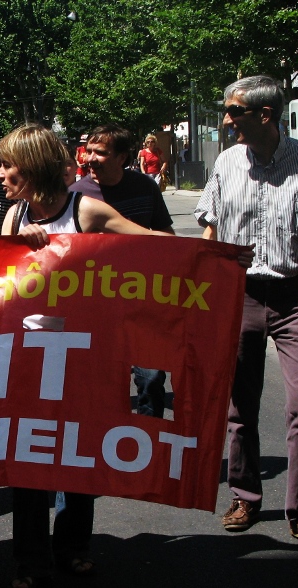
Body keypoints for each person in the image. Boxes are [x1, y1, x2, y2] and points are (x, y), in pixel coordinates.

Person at [0, 124, 173, 588]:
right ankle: (30, 559)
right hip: (31, 360)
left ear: (31, 168)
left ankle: (73, 547)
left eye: (7, 165)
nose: (0, 174)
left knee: (79, 452)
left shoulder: (87, 209)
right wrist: (16, 247)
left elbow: (149, 242)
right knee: (29, 459)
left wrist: (216, 257)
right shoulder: (13, 217)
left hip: (84, 357)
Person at [196, 75, 298, 545]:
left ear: (265, 115)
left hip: (294, 296)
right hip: (239, 295)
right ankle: (245, 496)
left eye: (235, 111)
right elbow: (211, 230)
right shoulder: (226, 161)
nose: (226, 120)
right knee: (242, 405)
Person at [71, 124, 175, 418]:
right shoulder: (75, 196)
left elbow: (167, 237)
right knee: (102, 385)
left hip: (143, 303)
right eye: (88, 151)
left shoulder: (145, 187)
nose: (90, 158)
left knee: (152, 377)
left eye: (100, 153)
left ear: (122, 157)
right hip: (96, 308)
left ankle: (149, 445)